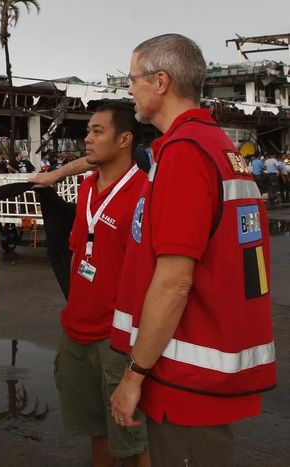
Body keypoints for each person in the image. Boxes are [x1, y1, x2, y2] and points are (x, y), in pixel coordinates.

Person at [109, 34, 276, 467]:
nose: (130, 89)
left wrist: (134, 374)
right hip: (205, 367)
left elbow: (174, 281)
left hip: (185, 377)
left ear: (160, 81)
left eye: (134, 78)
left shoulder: (185, 154)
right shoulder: (216, 146)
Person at [54, 103, 149, 467]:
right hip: (76, 330)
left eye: (97, 131)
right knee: (97, 430)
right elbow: (80, 253)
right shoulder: (87, 187)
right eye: (88, 130)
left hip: (118, 338)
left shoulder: (144, 193)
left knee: (133, 438)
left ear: (124, 139)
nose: (87, 138)